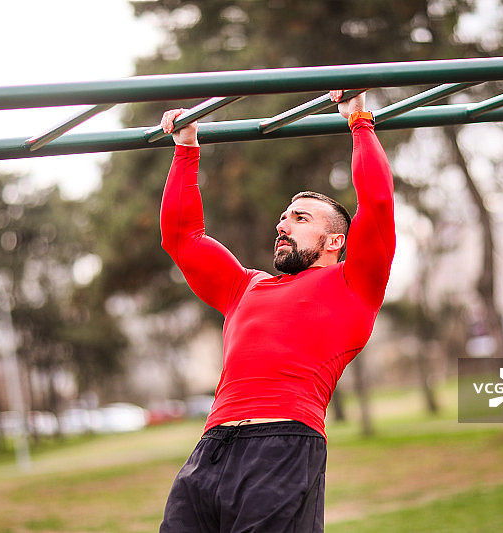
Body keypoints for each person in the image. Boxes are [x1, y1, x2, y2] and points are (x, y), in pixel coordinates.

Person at [158, 90, 395, 532]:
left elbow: (377, 205)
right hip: (212, 446)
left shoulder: (353, 284)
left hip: (282, 444)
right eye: (284, 217)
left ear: (335, 241)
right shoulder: (244, 286)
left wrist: (360, 120)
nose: (283, 224)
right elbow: (182, 239)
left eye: (301, 219)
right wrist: (186, 148)